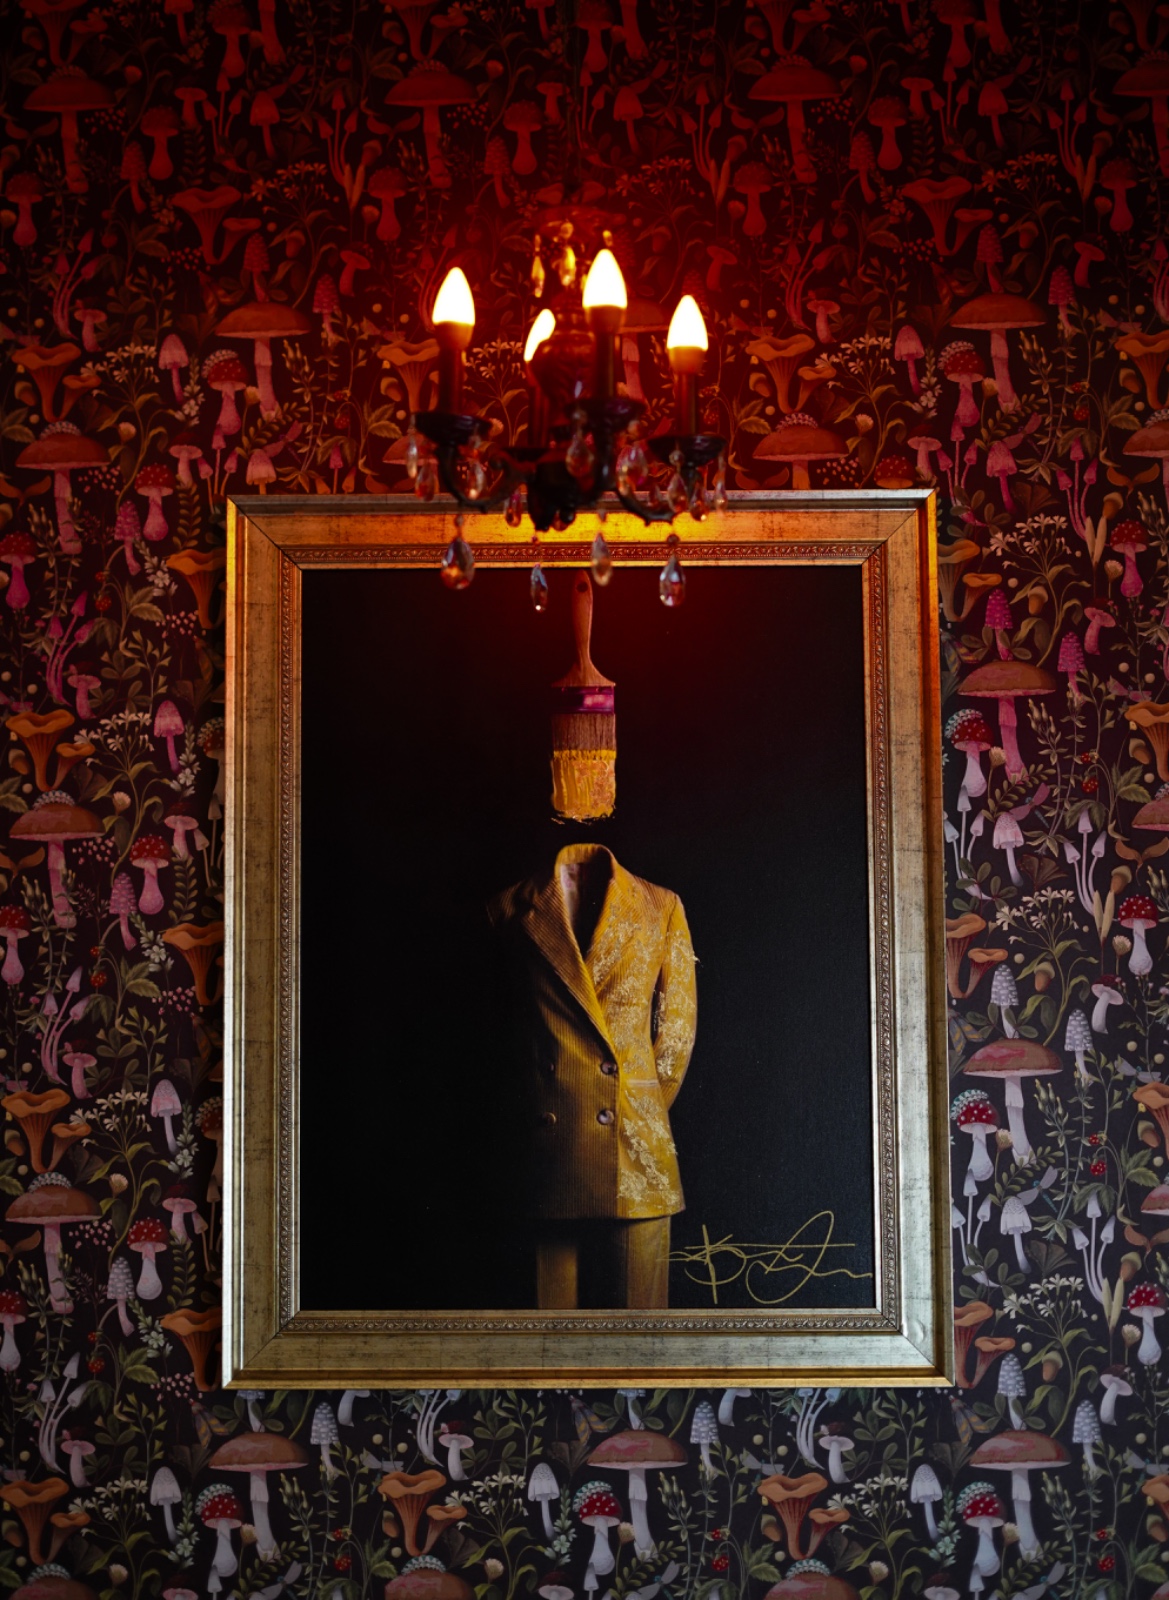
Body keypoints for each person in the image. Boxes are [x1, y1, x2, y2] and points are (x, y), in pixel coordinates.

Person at [488, 841, 697, 1309]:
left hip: (636, 1149)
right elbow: (497, 1032)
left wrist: (637, 1110)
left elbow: (677, 1033)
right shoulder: (508, 907)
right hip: (548, 1146)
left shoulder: (661, 905)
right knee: (546, 1336)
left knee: (641, 1335)